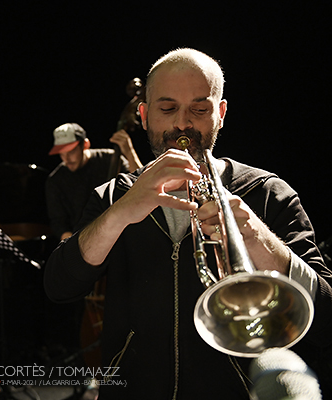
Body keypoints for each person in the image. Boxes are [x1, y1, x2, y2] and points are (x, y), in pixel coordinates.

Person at [43, 48, 332, 399]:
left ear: (221, 114)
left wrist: (257, 238)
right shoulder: (110, 195)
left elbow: (326, 318)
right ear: (145, 116)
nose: (182, 124)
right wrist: (120, 212)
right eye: (167, 109)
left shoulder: (269, 192)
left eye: (199, 109)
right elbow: (58, 286)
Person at [45, 122, 143, 241]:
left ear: (85, 144)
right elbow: (58, 221)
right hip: (81, 239)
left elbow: (141, 182)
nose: (66, 159)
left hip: (122, 233)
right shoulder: (55, 180)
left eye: (71, 151)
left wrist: (129, 151)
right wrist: (73, 245)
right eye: (61, 153)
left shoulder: (110, 159)